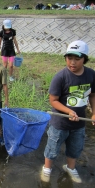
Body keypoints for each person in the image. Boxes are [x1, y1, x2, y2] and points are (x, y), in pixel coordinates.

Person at [40, 40, 95, 183]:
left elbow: (93, 95)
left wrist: (94, 112)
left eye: (77, 59)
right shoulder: (60, 77)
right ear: (65, 58)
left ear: (85, 59)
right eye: (69, 58)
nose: (73, 62)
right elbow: (53, 101)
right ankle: (47, 169)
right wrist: (69, 112)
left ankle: (70, 168)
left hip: (79, 123)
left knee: (75, 147)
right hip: (60, 123)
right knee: (52, 147)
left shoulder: (91, 75)